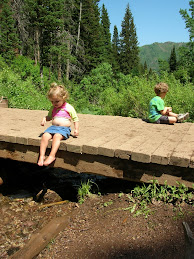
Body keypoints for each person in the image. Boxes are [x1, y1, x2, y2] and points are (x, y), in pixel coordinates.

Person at [38, 83, 79, 166]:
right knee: (45, 136)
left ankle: (52, 156)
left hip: (64, 129)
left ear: (63, 98)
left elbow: (75, 119)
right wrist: (45, 119)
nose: (54, 103)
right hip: (53, 127)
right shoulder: (53, 108)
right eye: (52, 102)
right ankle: (41, 156)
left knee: (57, 136)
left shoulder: (68, 107)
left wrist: (76, 129)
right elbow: (49, 117)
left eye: (57, 101)